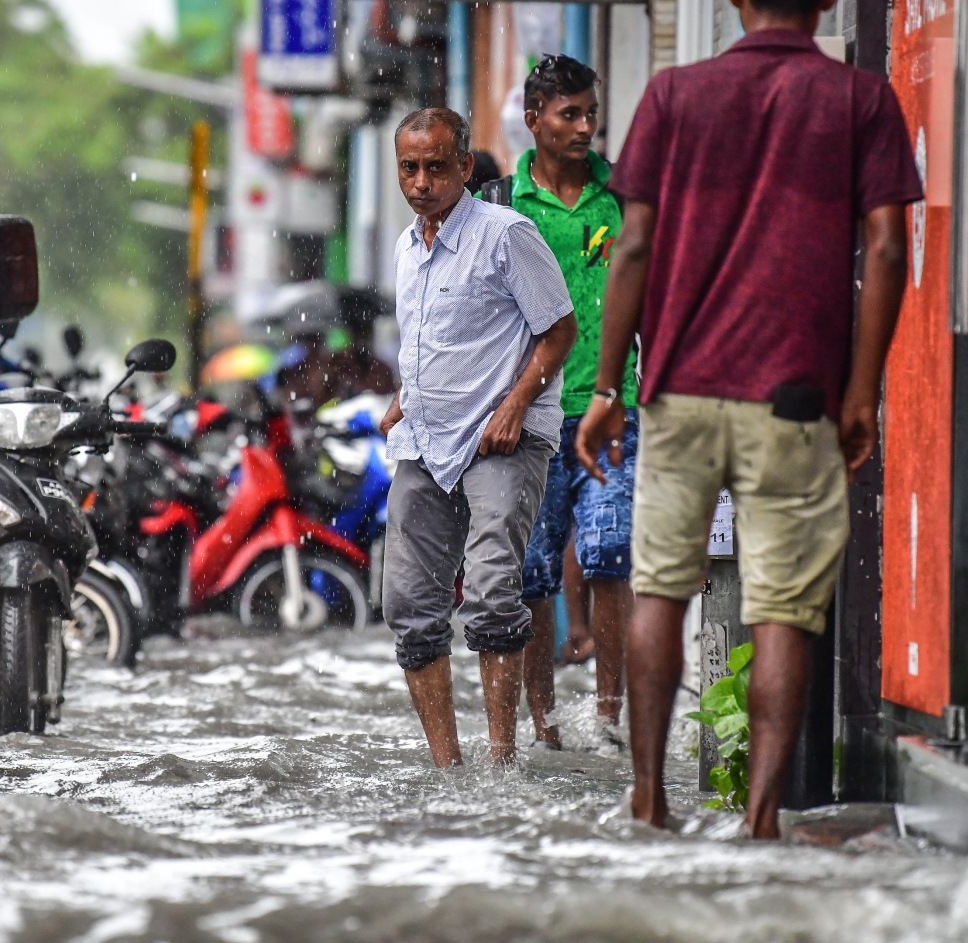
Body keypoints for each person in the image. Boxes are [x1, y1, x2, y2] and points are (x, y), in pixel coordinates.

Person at [576, 0, 921, 837]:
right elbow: (884, 248)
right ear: (825, 6)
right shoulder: (860, 98)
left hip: (680, 390)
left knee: (659, 589)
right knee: (781, 611)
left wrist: (607, 388)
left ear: (734, 3)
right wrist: (862, 391)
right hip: (795, 400)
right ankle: (761, 820)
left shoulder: (673, 95)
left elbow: (632, 246)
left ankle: (651, 801)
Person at [378, 106, 578, 767]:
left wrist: (517, 403)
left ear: (465, 167)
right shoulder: (408, 248)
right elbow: (431, 341)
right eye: (409, 167)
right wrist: (404, 397)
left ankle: (500, 762)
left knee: (494, 592)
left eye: (437, 166)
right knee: (407, 602)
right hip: (425, 438)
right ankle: (447, 767)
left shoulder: (505, 235)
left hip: (503, 437)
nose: (421, 181)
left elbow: (559, 330)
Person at [478, 54, 637, 753]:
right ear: (533, 116)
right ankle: (544, 725)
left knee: (608, 557)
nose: (584, 128)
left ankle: (608, 718)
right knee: (534, 571)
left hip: (614, 408)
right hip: (532, 416)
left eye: (591, 115)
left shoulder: (621, 201)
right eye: (569, 114)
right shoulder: (500, 204)